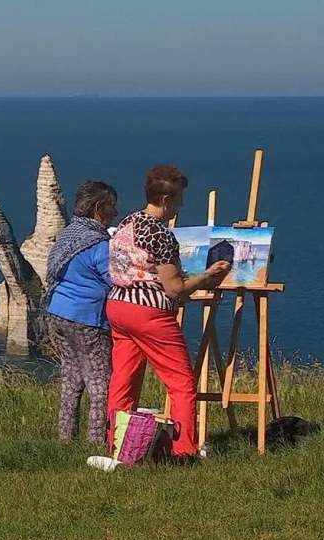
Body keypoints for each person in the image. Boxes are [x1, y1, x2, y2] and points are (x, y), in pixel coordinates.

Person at [106, 165, 230, 459]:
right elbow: (175, 288)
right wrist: (208, 276)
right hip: (149, 312)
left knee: (124, 379)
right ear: (165, 200)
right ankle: (183, 450)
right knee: (181, 382)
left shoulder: (128, 222)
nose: (181, 205)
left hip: (117, 305)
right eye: (178, 199)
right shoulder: (160, 234)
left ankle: (118, 444)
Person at [45, 181, 118, 444]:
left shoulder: (69, 234)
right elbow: (116, 278)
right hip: (87, 317)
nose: (115, 213)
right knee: (100, 380)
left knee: (71, 375)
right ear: (99, 208)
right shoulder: (97, 244)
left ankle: (66, 438)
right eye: (112, 207)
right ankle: (97, 440)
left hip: (57, 312)